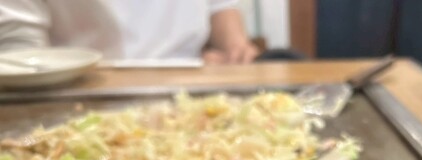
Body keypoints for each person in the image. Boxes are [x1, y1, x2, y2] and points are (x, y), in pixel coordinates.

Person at [0, 0, 259, 64]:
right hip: (86, 87)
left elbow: (220, 5)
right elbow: (20, 54)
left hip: (193, 75)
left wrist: (235, 48)